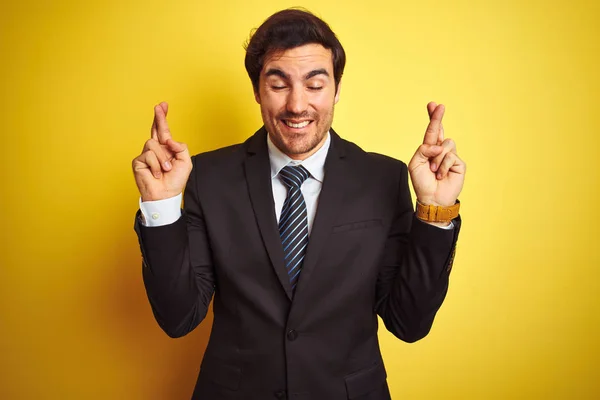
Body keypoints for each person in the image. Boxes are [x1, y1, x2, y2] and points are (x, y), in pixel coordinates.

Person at [132, 8, 465, 400]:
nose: (297, 104)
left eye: (315, 84)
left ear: (337, 89)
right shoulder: (207, 177)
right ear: (257, 90)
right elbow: (178, 317)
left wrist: (434, 213)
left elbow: (408, 322)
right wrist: (162, 207)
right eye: (278, 84)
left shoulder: (383, 179)